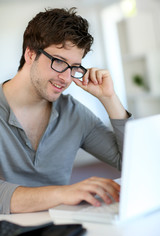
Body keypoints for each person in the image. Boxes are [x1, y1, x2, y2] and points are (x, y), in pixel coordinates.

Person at [0, 7, 131, 214]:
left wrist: (110, 99)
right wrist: (63, 193)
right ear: (30, 54)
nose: (67, 78)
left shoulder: (74, 114)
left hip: (61, 230)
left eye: (74, 67)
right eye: (59, 62)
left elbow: (133, 164)